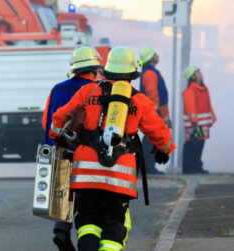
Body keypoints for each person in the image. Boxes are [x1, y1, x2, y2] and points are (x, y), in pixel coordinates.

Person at [49, 46, 176, 251]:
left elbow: (59, 118)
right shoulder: (139, 100)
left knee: (88, 220)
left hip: (86, 171)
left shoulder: (88, 91)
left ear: (107, 70)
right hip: (120, 174)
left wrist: (57, 136)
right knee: (115, 223)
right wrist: (165, 149)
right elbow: (159, 132)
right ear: (131, 74)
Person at [42, 45, 103, 251]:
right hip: (88, 155)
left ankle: (61, 229)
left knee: (64, 195)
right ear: (94, 69)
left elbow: (46, 123)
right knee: (88, 203)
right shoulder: (96, 90)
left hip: (59, 150)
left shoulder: (57, 89)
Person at [139, 46, 172, 174]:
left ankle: (149, 166)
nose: (157, 55)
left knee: (151, 140)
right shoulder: (150, 73)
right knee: (150, 140)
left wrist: (165, 116)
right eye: (155, 54)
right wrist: (156, 114)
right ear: (151, 58)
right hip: (152, 113)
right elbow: (152, 95)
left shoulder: (151, 72)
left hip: (153, 112)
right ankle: (148, 167)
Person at [182, 66, 216, 174]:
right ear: (193, 76)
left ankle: (196, 166)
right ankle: (190, 168)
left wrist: (212, 118)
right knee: (193, 145)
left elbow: (207, 105)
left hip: (201, 125)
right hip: (195, 125)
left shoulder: (203, 89)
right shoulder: (190, 91)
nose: (200, 73)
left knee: (199, 144)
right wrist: (195, 123)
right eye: (197, 71)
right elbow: (191, 109)